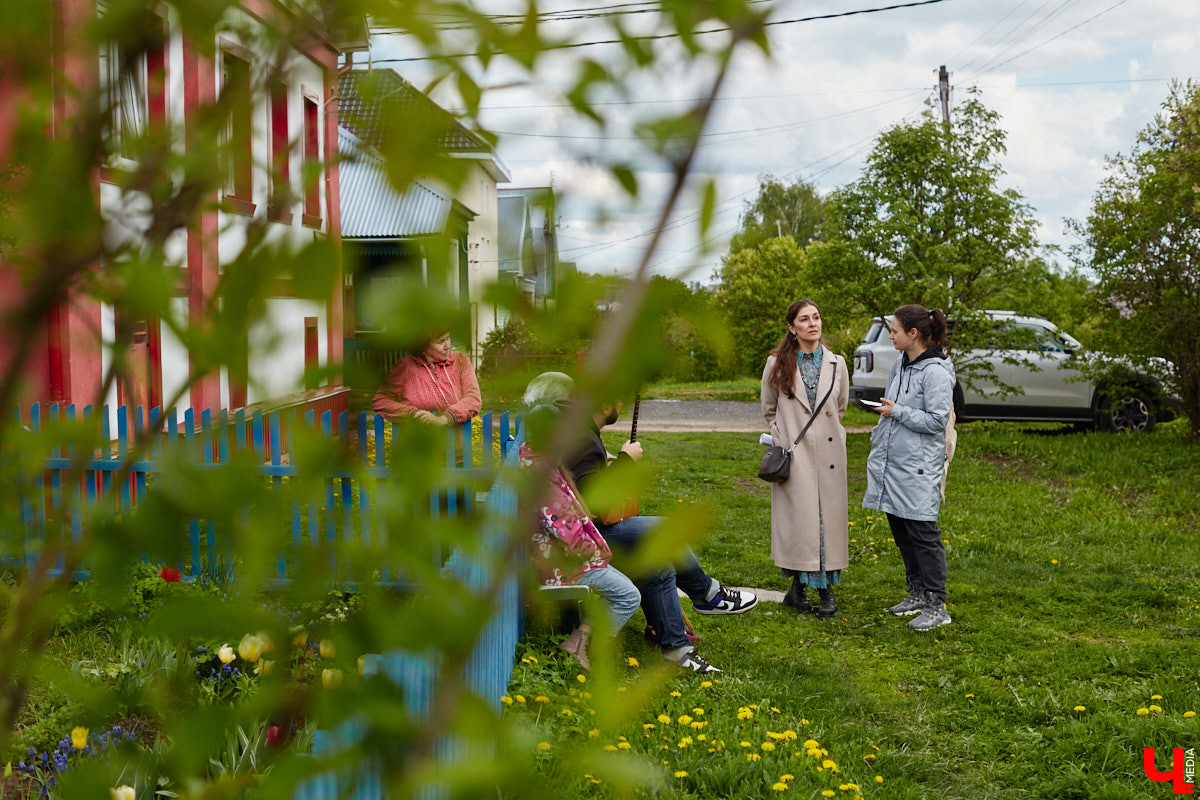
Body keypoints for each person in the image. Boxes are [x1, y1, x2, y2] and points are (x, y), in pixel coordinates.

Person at [523, 373, 728, 674]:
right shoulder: (550, 466)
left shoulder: (545, 460)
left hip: (577, 550)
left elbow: (577, 508)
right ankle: (704, 594)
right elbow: (585, 507)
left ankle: (677, 645)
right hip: (569, 560)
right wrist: (623, 463)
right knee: (655, 544)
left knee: (657, 564)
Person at [519, 408, 641, 671]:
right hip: (564, 565)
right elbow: (565, 531)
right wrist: (595, 553)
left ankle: (578, 641)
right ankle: (585, 650)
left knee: (624, 585)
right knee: (628, 596)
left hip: (560, 560)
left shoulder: (538, 462)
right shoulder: (542, 475)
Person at [862, 304, 956, 631]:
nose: (890, 335)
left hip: (917, 469)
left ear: (913, 334)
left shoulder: (936, 372)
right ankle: (917, 593)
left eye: (895, 330)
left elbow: (936, 421)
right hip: (894, 465)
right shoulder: (900, 366)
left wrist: (897, 411)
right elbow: (896, 408)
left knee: (923, 535)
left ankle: (937, 605)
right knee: (902, 533)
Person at [760, 299, 850, 619]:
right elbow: (769, 409)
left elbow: (840, 408)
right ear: (792, 327)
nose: (813, 323)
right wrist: (783, 437)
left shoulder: (837, 363)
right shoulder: (776, 364)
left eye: (817, 317)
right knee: (801, 523)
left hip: (828, 455)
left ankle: (822, 588)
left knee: (826, 522)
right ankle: (801, 587)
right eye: (804, 319)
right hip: (795, 454)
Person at [371, 329, 481, 425]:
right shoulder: (405, 368)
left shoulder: (461, 361)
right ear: (423, 345)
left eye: (448, 338)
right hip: (419, 446)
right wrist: (413, 414)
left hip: (457, 446)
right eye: (441, 341)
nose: (448, 345)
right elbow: (380, 400)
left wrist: (445, 419)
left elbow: (473, 398)